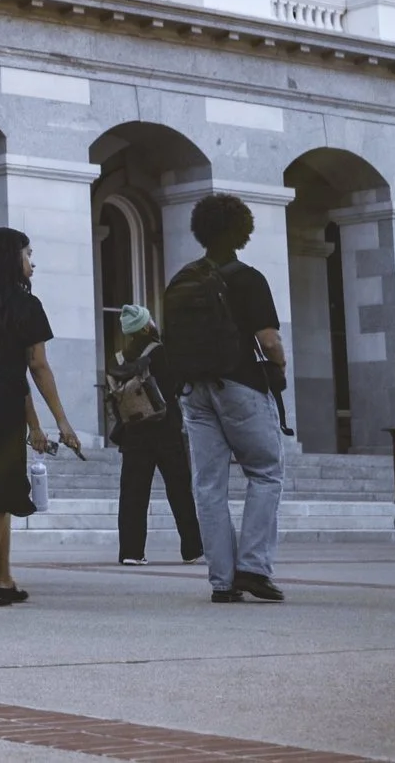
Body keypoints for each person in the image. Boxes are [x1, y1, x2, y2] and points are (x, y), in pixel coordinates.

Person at [165, 195, 288, 604]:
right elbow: (268, 339)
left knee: (209, 486)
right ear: (242, 231)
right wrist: (280, 364)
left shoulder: (183, 278)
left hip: (193, 391)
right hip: (239, 384)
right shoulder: (248, 278)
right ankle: (253, 567)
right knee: (266, 471)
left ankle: (222, 580)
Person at [0, 227, 82, 607]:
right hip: (2, 407)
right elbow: (37, 367)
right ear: (13, 260)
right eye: (28, 254)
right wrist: (61, 421)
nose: (32, 262)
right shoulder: (26, 306)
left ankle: (3, 578)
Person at [109, 303, 205, 567]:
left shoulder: (119, 358)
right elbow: (176, 385)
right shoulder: (160, 351)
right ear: (146, 324)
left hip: (133, 432)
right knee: (179, 489)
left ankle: (131, 551)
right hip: (165, 429)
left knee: (133, 493)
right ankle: (192, 548)